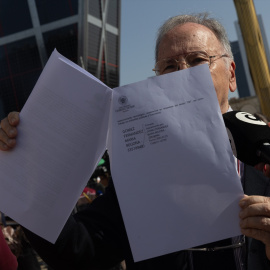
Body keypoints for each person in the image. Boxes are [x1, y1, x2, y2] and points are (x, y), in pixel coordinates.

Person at [1, 12, 270, 270]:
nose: (183, 73)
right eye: (169, 66)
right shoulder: (138, 168)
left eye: (198, 59)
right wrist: (22, 160)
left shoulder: (264, 154)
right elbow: (79, 250)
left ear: (231, 74)